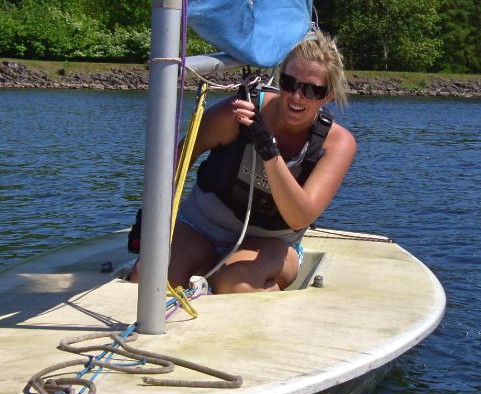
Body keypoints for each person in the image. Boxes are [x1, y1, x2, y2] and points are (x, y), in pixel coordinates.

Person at [129, 31, 356, 293]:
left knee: (236, 285)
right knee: (147, 279)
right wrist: (152, 218)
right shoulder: (235, 113)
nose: (296, 97)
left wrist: (268, 148)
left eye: (312, 90)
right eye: (289, 83)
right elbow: (177, 160)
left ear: (327, 96)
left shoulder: (337, 143)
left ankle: (262, 293)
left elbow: (299, 217)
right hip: (200, 227)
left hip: (272, 243)